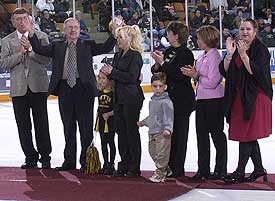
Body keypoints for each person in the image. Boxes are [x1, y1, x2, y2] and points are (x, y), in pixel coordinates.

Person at [26, 17, 118, 171]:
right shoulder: (57, 46)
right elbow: (40, 49)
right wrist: (31, 32)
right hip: (64, 89)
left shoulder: (87, 44)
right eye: (70, 27)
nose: (73, 30)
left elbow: (106, 47)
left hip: (84, 90)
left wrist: (114, 31)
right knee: (68, 127)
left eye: (75, 27)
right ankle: (69, 161)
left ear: (79, 29)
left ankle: (86, 161)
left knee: (86, 128)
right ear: (64, 29)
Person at [219, 18, 273, 184]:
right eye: (242, 29)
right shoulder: (236, 47)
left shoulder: (261, 50)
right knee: (248, 135)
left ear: (255, 31)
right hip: (239, 97)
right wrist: (229, 54)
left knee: (246, 135)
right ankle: (258, 168)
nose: (245, 32)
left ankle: (240, 171)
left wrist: (243, 55)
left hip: (256, 97)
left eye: (248, 29)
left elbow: (255, 73)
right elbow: (225, 72)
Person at [0, 8, 52, 169]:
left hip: (38, 87)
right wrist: (20, 53)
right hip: (18, 89)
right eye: (18, 19)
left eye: (24, 18)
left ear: (30, 20)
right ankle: (30, 157)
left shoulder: (41, 37)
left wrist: (30, 50)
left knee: (42, 124)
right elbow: (4, 63)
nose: (21, 22)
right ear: (13, 22)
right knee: (23, 126)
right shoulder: (7, 41)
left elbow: (46, 60)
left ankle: (45, 157)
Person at [181, 25, 227, 180]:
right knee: (201, 135)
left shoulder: (214, 56)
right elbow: (202, 78)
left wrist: (196, 75)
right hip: (201, 99)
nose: (197, 40)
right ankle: (203, 170)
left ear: (207, 39)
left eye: (199, 38)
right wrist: (194, 75)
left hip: (214, 100)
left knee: (216, 134)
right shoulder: (203, 55)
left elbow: (213, 81)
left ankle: (221, 169)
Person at [151, 21, 196, 177]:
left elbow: (178, 74)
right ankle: (168, 166)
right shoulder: (169, 50)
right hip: (167, 100)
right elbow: (159, 71)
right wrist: (158, 64)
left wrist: (162, 63)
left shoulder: (186, 53)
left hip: (181, 100)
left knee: (180, 135)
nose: (167, 35)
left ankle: (178, 169)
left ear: (176, 35)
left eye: (169, 33)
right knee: (167, 134)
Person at [101, 25, 144, 177]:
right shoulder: (118, 55)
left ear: (130, 38)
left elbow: (132, 77)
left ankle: (134, 165)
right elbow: (117, 76)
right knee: (121, 132)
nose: (117, 40)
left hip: (131, 98)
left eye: (120, 37)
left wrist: (113, 72)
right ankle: (124, 163)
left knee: (131, 131)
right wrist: (107, 75)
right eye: (117, 37)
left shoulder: (135, 55)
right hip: (119, 98)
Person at [137, 72, 174, 183]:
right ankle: (165, 169)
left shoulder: (166, 102)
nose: (157, 89)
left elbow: (169, 116)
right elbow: (153, 116)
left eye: (160, 86)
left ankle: (160, 173)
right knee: (152, 151)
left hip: (162, 132)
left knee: (161, 154)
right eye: (155, 86)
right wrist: (144, 122)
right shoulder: (152, 101)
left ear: (165, 87)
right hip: (152, 131)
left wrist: (168, 128)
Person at [95, 71, 116, 175]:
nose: (101, 80)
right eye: (100, 78)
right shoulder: (99, 92)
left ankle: (111, 164)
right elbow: (100, 106)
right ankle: (106, 163)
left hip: (110, 121)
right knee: (103, 142)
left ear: (109, 80)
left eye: (104, 78)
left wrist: (109, 114)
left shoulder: (112, 93)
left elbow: (116, 108)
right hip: (102, 121)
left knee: (110, 142)